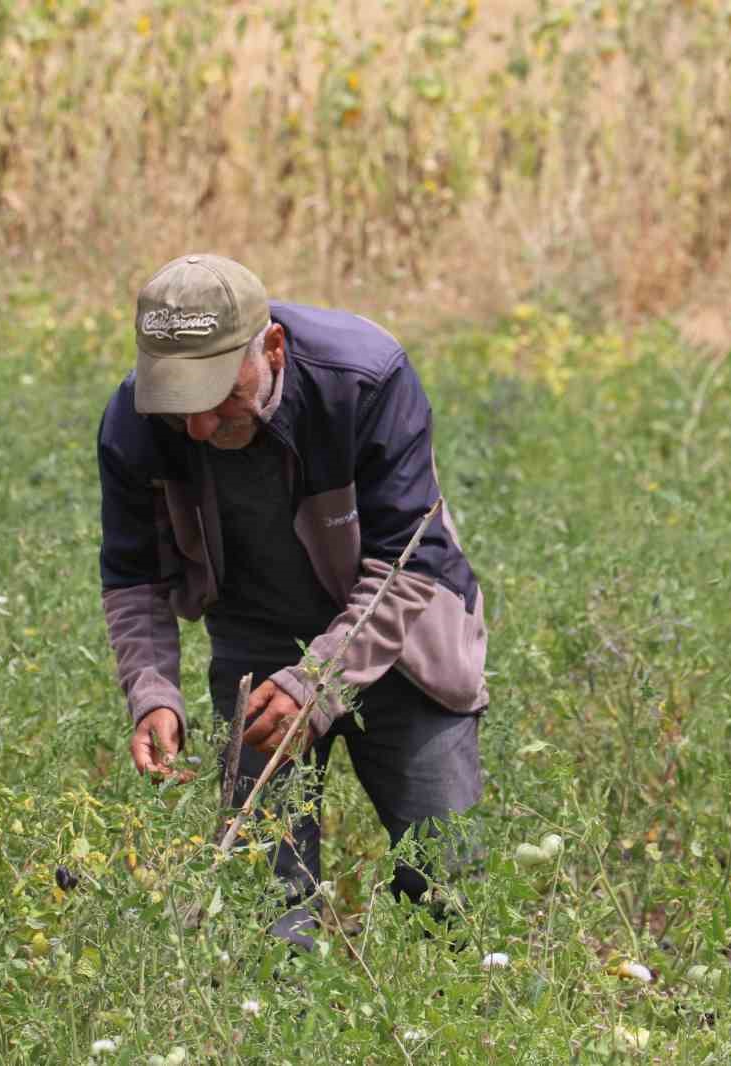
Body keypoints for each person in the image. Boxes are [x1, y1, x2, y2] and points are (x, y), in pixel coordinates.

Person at [96, 253, 488, 949]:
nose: (198, 427)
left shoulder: (363, 378)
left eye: (218, 394)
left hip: (403, 640)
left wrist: (320, 680)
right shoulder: (136, 419)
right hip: (257, 644)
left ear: (271, 348)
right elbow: (133, 578)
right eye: (179, 401)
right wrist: (153, 691)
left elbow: (408, 558)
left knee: (443, 883)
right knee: (264, 899)